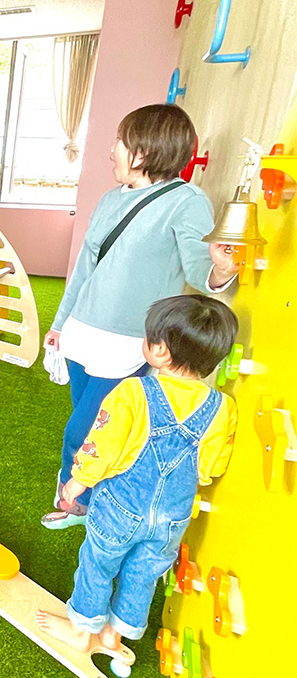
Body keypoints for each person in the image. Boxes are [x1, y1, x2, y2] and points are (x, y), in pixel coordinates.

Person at [41, 104, 240, 529]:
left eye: (121, 141)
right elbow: (84, 268)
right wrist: (59, 323)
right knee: (95, 425)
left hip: (130, 341)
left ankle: (79, 501)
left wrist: (221, 270)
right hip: (83, 332)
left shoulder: (186, 202)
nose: (112, 149)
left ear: (146, 150)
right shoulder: (110, 199)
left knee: (84, 430)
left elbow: (198, 269)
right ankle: (90, 491)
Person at [35, 295, 238, 657]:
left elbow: (102, 445)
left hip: (120, 509)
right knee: (142, 576)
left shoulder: (133, 391)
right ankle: (114, 636)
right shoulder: (222, 407)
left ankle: (81, 631)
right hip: (172, 518)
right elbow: (210, 469)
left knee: (97, 565)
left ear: (159, 351)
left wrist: (78, 481)